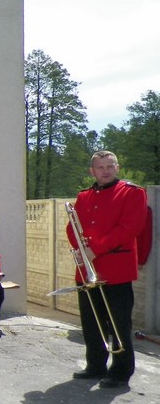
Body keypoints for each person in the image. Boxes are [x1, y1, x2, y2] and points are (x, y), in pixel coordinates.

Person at [68, 150, 148, 389]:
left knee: (118, 323)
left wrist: (95, 249)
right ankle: (95, 365)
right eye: (100, 167)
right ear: (92, 171)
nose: (105, 171)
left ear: (117, 167)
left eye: (110, 166)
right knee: (91, 321)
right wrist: (81, 250)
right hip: (88, 268)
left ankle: (121, 372)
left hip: (115, 269)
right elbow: (72, 228)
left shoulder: (132, 192)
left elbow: (129, 228)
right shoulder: (84, 196)